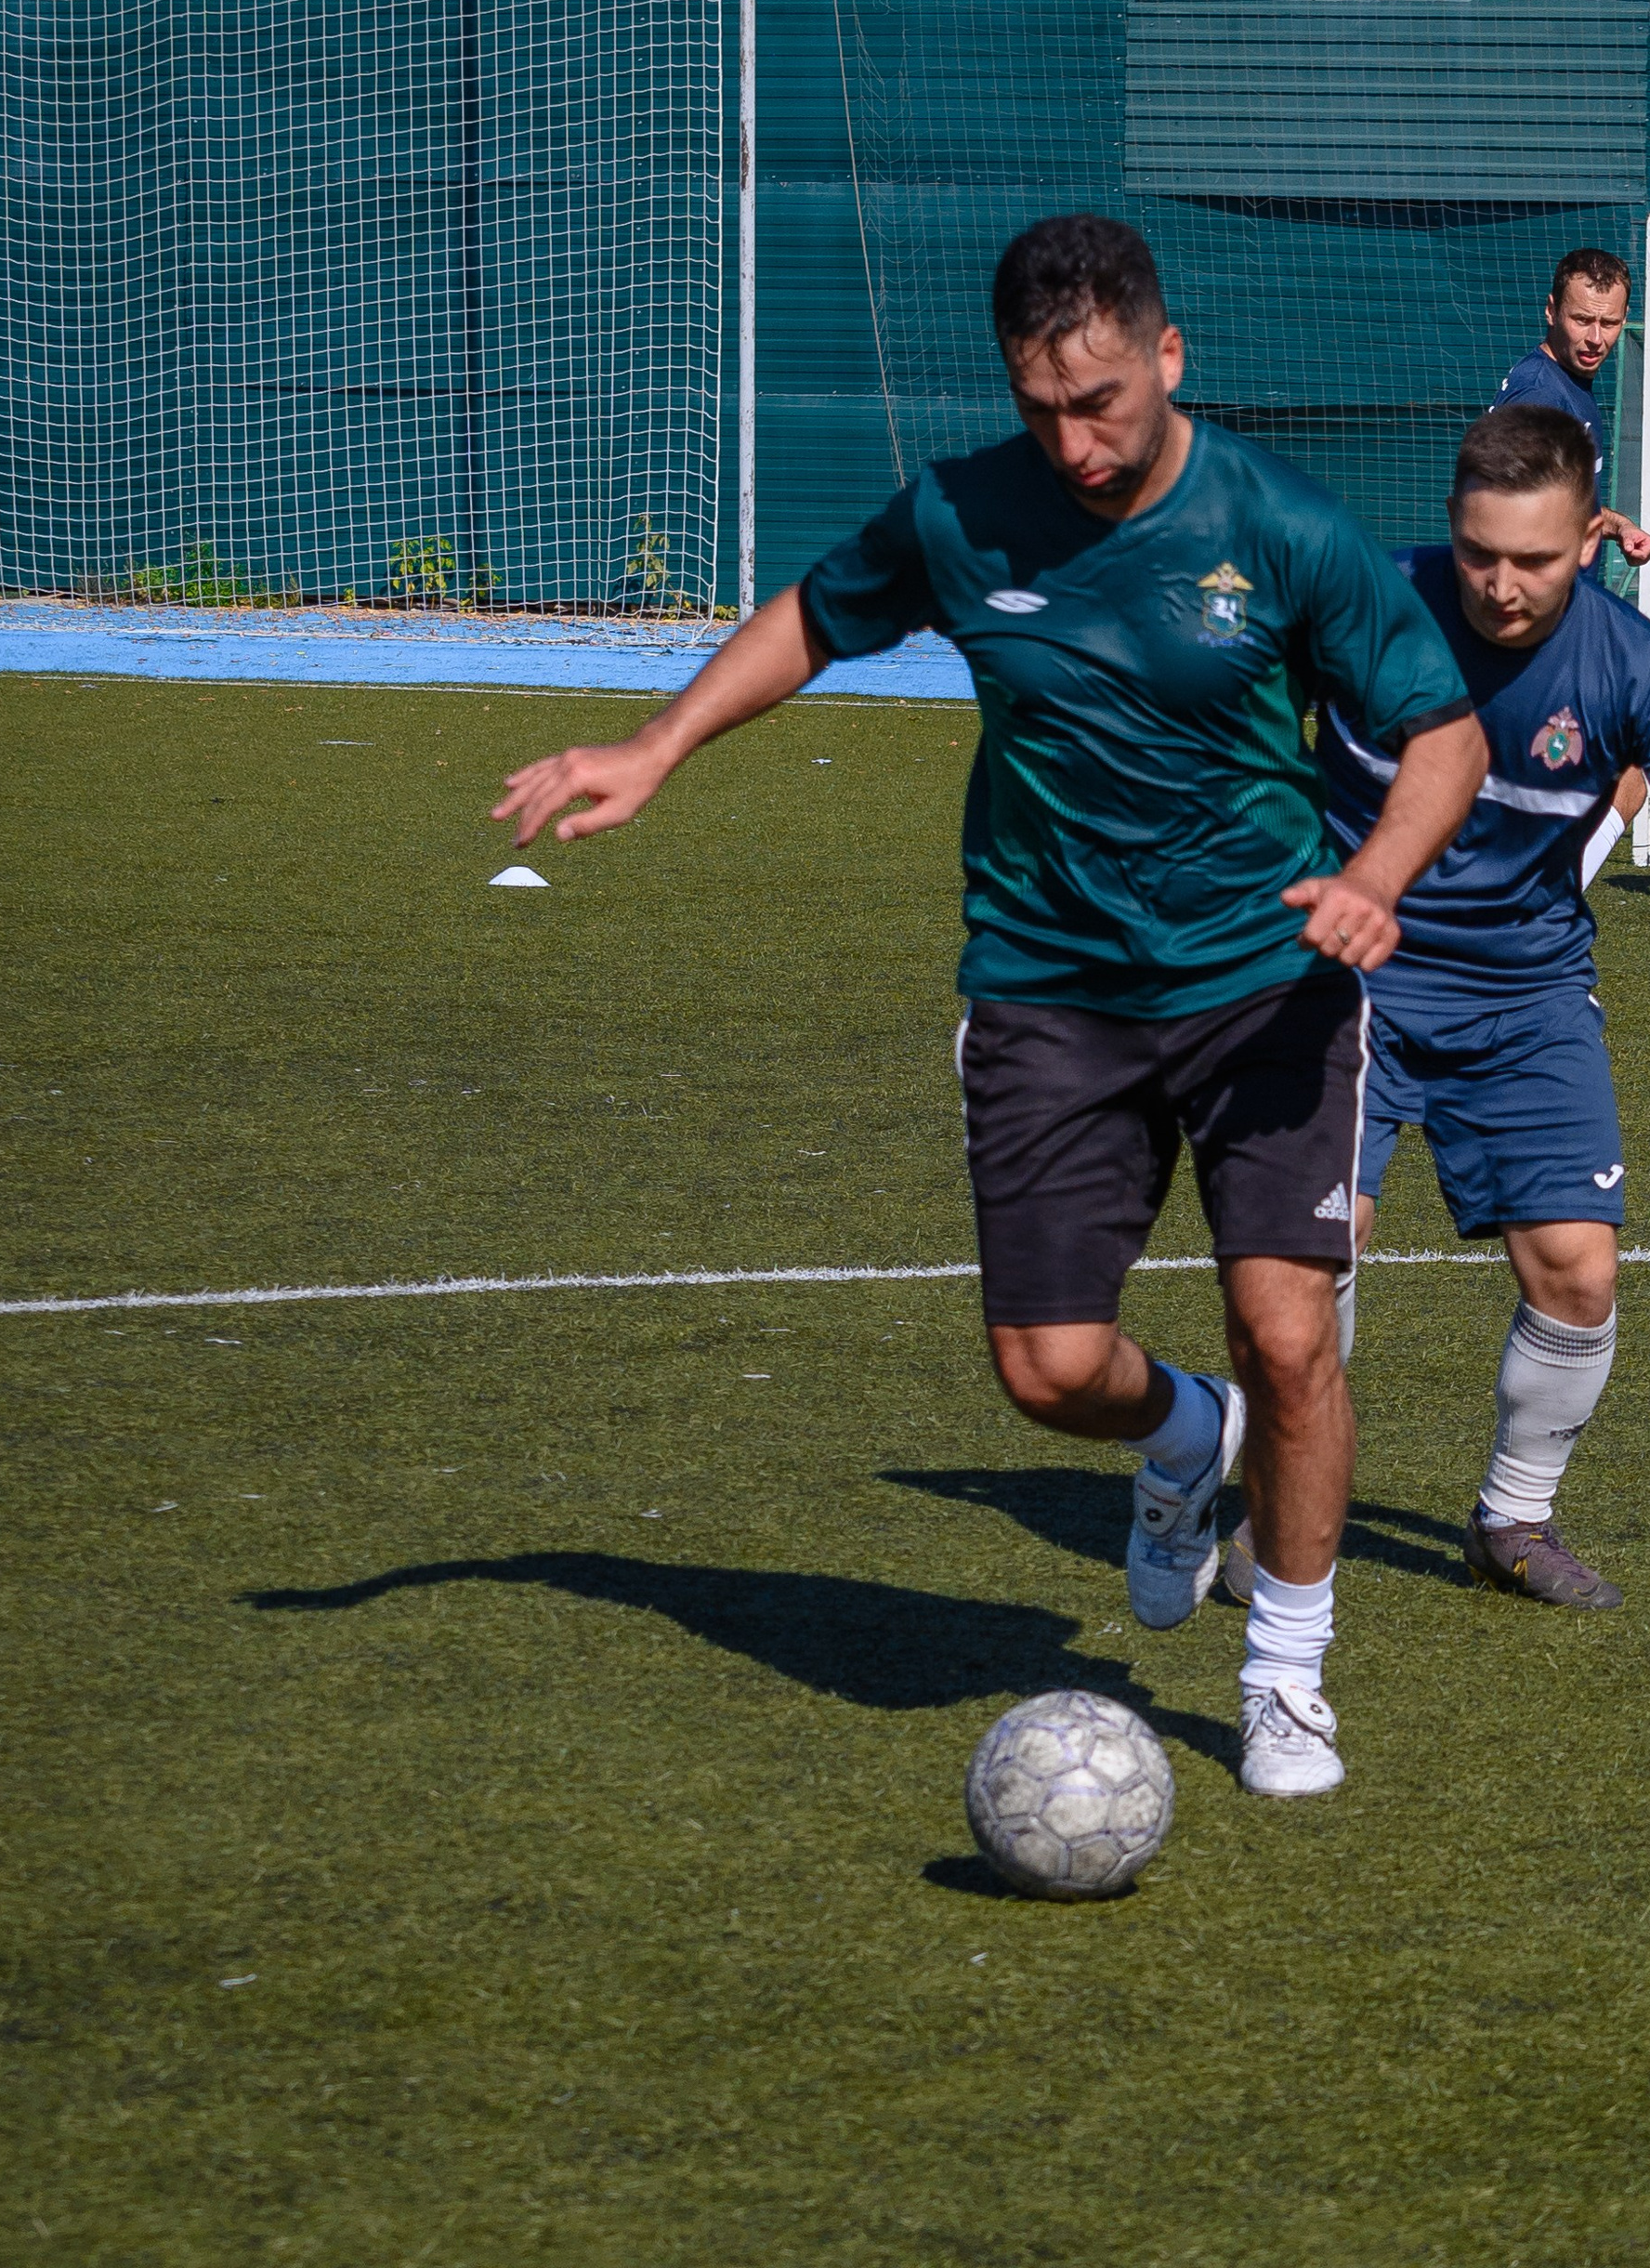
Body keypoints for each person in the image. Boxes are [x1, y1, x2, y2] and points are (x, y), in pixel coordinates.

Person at [492, 215, 1486, 1799]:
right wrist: (657, 744)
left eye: (1102, 400)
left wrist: (1376, 873)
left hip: (1268, 984)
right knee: (1044, 1371)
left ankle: (1286, 1670)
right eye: (1043, 410)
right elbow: (820, 613)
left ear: (1170, 357)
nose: (1077, 442)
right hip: (1048, 991)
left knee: (1293, 1334)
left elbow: (1443, 735)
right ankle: (1181, 1440)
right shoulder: (964, 514)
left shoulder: (1279, 526)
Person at [1224, 404, 1650, 1612]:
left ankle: (1513, 1520)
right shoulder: (1368, 602)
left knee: (1576, 1273)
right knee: (1310, 1262)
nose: (1502, 586)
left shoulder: (1634, 669)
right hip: (1341, 985)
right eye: (1479, 554)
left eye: (1537, 561)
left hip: (1526, 995)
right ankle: (1269, 1512)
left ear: (1593, 538)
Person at [1493, 248, 1650, 872]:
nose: (1596, 338)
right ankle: (1535, 908)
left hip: (1555, 627)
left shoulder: (1570, 390)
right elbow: (1509, 506)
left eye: (1610, 323)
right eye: (1582, 320)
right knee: (1622, 780)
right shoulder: (1541, 393)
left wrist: (1612, 525)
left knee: (1608, 782)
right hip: (1540, 634)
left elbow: (1559, 498)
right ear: (1552, 311)